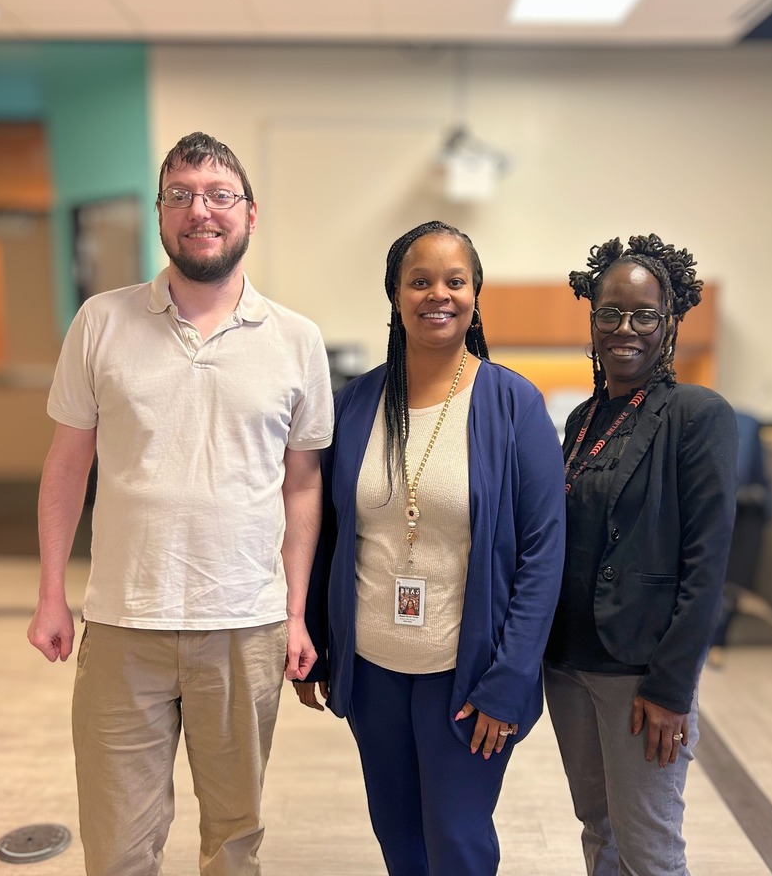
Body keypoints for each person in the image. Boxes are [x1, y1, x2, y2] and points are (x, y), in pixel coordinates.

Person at [27, 132, 334, 876]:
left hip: (243, 624)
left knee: (233, 841)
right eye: (181, 195)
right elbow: (68, 463)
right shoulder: (101, 321)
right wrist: (50, 596)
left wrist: (294, 612)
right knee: (117, 845)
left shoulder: (296, 339)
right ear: (162, 215)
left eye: (218, 195)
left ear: (249, 215)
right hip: (123, 622)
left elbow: (302, 483)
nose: (200, 210)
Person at [294, 220, 566, 875]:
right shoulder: (356, 402)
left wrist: (509, 680)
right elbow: (327, 531)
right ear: (394, 293)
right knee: (398, 835)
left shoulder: (512, 403)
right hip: (372, 669)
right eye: (419, 280)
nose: (436, 294)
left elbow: (543, 551)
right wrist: (315, 644)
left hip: (469, 676)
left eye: (454, 280)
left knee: (458, 840)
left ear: (475, 292)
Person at [544, 234, 738, 876]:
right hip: (568, 665)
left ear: (669, 322)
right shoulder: (580, 421)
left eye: (643, 315)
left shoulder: (697, 415)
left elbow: (707, 565)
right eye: (610, 313)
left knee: (650, 851)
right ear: (593, 320)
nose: (624, 329)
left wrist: (672, 687)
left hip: (639, 675)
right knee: (599, 831)